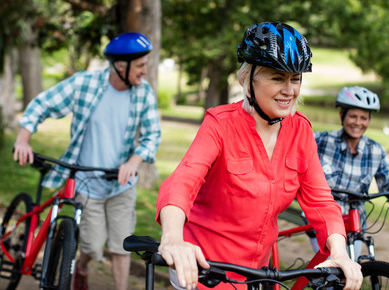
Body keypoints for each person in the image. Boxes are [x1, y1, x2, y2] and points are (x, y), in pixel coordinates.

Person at [155, 22, 362, 290]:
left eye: (295, 78)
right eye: (277, 77)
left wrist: (339, 253)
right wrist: (172, 239)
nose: (289, 90)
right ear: (247, 78)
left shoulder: (300, 130)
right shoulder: (220, 124)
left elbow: (321, 201)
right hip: (205, 266)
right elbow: (183, 181)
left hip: (260, 273)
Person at [13, 32, 162, 290]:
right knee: (93, 244)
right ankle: (82, 265)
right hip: (86, 180)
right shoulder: (85, 84)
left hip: (121, 183)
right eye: (140, 65)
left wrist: (133, 162)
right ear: (120, 65)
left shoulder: (143, 93)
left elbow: (153, 135)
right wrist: (23, 139)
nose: (144, 71)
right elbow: (43, 104)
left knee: (121, 245)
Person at [311, 86, 389, 258]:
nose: (358, 123)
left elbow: (386, 183)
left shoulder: (375, 151)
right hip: (322, 218)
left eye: (364, 118)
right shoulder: (321, 141)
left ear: (370, 119)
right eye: (352, 116)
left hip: (355, 221)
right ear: (341, 116)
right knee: (333, 272)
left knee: (352, 269)